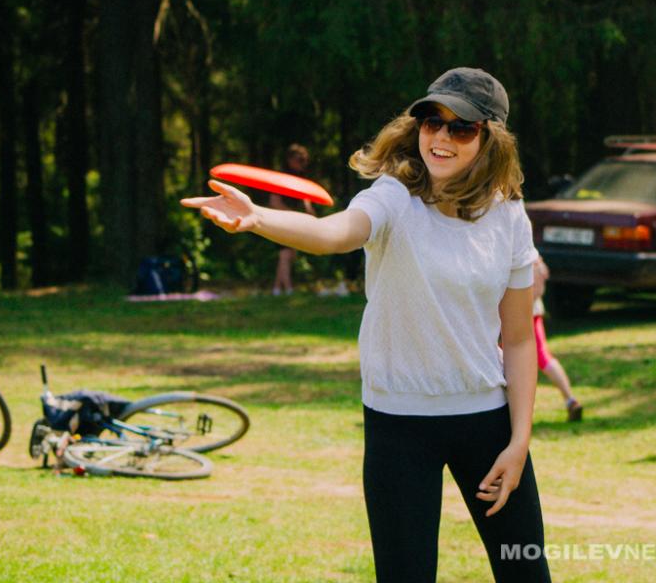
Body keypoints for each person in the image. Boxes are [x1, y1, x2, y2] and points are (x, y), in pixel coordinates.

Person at [182, 67, 551, 582]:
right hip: (399, 426)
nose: (441, 137)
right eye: (431, 121)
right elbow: (331, 232)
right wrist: (258, 219)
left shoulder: (508, 215)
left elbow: (516, 339)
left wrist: (518, 442)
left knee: (527, 574)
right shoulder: (394, 196)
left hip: (486, 422)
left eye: (460, 127)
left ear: (490, 139)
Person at [532, 256, 583, 421]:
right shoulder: (529, 247)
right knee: (543, 356)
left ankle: (570, 401)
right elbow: (544, 272)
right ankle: (570, 399)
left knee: (511, 360)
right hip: (533, 311)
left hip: (519, 313)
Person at [270, 143, 316, 295]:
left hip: (292, 219)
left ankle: (277, 289)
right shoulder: (281, 177)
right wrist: (293, 215)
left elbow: (304, 197)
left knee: (289, 254)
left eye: (304, 160)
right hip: (280, 219)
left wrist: (309, 211)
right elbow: (274, 202)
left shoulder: (300, 177)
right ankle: (288, 289)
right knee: (286, 253)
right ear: (290, 160)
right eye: (299, 160)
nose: (302, 163)